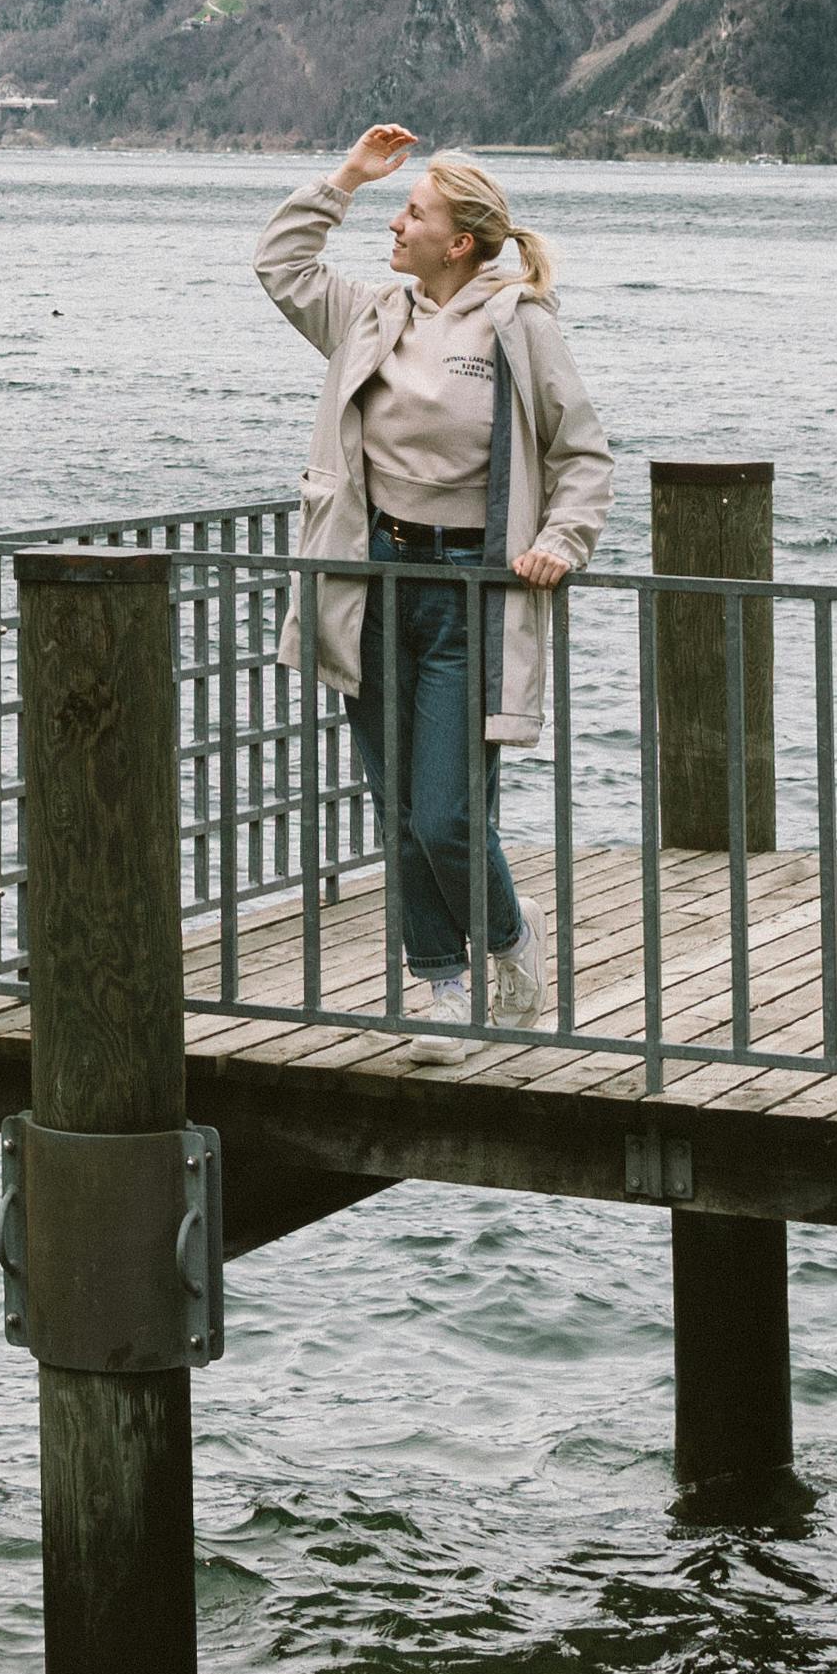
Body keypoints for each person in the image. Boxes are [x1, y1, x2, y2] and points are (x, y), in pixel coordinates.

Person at [256, 119, 613, 1026]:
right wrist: (347, 177)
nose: (393, 226)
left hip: (468, 594)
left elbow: (581, 455)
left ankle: (507, 939)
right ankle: (440, 989)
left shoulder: (517, 326)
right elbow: (280, 265)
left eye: (408, 214)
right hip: (369, 582)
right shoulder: (371, 313)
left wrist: (560, 543)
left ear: (458, 242)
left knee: (444, 816)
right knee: (396, 804)